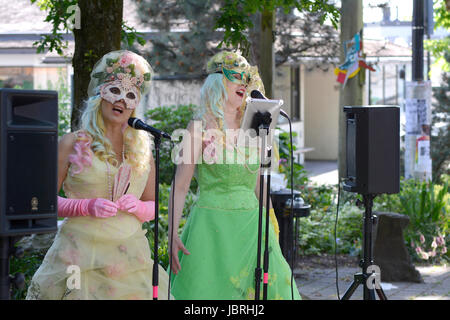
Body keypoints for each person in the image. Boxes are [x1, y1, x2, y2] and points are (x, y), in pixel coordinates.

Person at [26, 50, 171, 300]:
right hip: (79, 257)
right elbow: (40, 203)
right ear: (99, 95)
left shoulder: (143, 150)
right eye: (114, 91)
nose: (122, 101)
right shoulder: (72, 143)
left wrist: (138, 207)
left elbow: (153, 206)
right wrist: (85, 206)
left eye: (130, 95)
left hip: (129, 258)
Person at [169, 51, 301, 300]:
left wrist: (270, 221)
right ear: (218, 82)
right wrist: (171, 234)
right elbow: (180, 186)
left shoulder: (257, 126)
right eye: (237, 78)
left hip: (253, 226)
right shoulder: (198, 128)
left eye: (246, 80)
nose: (243, 84)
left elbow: (259, 180)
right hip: (211, 229)